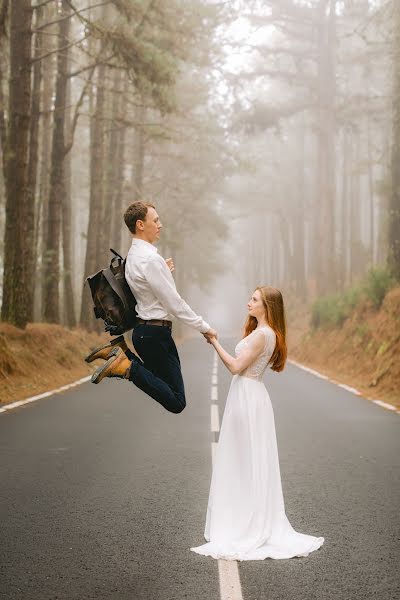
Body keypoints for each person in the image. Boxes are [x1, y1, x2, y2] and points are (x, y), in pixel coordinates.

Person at [190, 286, 325, 561]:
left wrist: (214, 341)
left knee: (242, 460)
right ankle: (245, 515)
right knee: (250, 460)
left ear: (267, 307)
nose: (248, 302)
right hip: (252, 396)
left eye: (254, 300)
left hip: (247, 397)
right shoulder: (267, 334)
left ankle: (243, 522)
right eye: (250, 298)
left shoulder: (263, 335)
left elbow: (236, 367)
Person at [87, 201, 217, 414]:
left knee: (164, 387)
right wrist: (204, 327)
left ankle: (123, 355)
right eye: (155, 220)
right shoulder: (150, 260)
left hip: (145, 333)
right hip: (156, 335)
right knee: (176, 401)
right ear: (140, 224)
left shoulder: (134, 257)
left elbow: (142, 289)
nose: (160, 225)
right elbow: (175, 304)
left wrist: (162, 271)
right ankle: (125, 364)